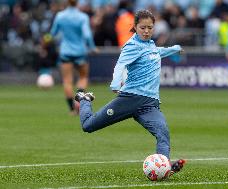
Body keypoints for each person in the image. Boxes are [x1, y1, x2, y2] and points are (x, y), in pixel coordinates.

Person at [75, 10, 186, 175]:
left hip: (149, 104)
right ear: (135, 27)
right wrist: (115, 83)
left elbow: (158, 52)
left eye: (150, 27)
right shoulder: (132, 46)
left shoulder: (150, 45)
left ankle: (165, 167)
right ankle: (84, 100)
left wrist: (175, 49)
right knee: (88, 126)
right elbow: (120, 65)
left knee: (163, 132)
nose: (146, 31)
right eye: (143, 28)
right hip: (129, 99)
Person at [50, 0, 97, 115]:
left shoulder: (60, 16)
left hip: (65, 52)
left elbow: (52, 33)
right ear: (77, 3)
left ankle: (72, 109)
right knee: (83, 77)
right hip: (80, 51)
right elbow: (87, 34)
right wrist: (92, 47)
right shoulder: (82, 17)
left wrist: (47, 40)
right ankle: (79, 101)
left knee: (67, 80)